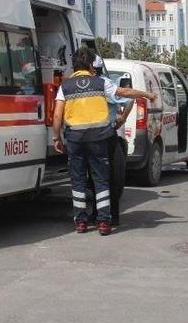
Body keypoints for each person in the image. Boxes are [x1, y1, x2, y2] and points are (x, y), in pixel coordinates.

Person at [52, 48, 155, 235]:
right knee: (101, 179)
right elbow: (123, 92)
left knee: (78, 181)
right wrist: (146, 95)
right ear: (91, 65)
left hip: (75, 138)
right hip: (99, 138)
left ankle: (81, 222)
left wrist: (56, 137)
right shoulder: (101, 83)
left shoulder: (65, 86)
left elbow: (58, 114)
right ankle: (104, 222)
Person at [93, 55, 135, 226]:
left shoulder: (103, 84)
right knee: (96, 179)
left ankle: (111, 215)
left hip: (107, 136)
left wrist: (122, 119)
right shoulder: (91, 84)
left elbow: (130, 98)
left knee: (108, 179)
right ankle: (98, 213)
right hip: (94, 137)